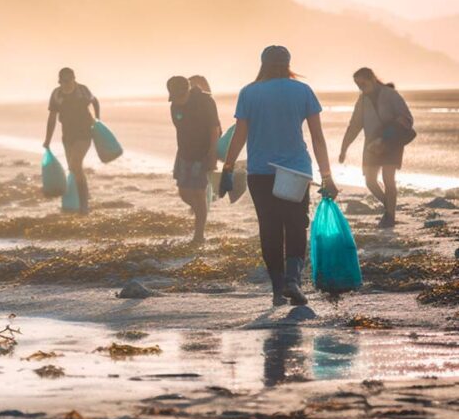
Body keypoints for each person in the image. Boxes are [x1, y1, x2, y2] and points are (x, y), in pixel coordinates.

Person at [219, 46, 338, 307]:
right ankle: (292, 280)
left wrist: (228, 168)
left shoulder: (249, 92)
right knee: (296, 224)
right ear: (288, 63)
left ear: (263, 63)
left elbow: (239, 135)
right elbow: (317, 138)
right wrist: (327, 175)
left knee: (269, 228)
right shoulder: (303, 91)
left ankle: (277, 289)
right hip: (296, 171)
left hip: (261, 172)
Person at [339, 68, 414, 229]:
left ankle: (390, 217)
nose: (360, 87)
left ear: (372, 79)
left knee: (388, 179)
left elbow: (407, 118)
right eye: (357, 84)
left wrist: (385, 136)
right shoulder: (362, 100)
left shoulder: (391, 94)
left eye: (363, 83)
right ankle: (389, 207)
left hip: (392, 143)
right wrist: (344, 149)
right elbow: (354, 126)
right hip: (371, 145)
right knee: (370, 181)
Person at [167, 75, 222, 245]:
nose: (178, 101)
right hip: (185, 153)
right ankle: (199, 209)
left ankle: (199, 235)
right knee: (184, 192)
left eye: (180, 96)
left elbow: (214, 129)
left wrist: (212, 155)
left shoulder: (206, 101)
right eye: (175, 97)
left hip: (204, 153)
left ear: (188, 90)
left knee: (198, 193)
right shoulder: (174, 105)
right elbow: (180, 128)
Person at [43, 68, 100, 214]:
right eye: (64, 81)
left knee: (75, 164)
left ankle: (84, 206)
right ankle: (79, 200)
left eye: (70, 80)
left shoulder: (82, 90)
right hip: (67, 136)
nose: (67, 83)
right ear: (60, 81)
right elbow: (52, 118)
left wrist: (98, 120)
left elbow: (95, 101)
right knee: (73, 168)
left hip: (84, 133)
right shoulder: (56, 95)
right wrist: (47, 140)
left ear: (74, 78)